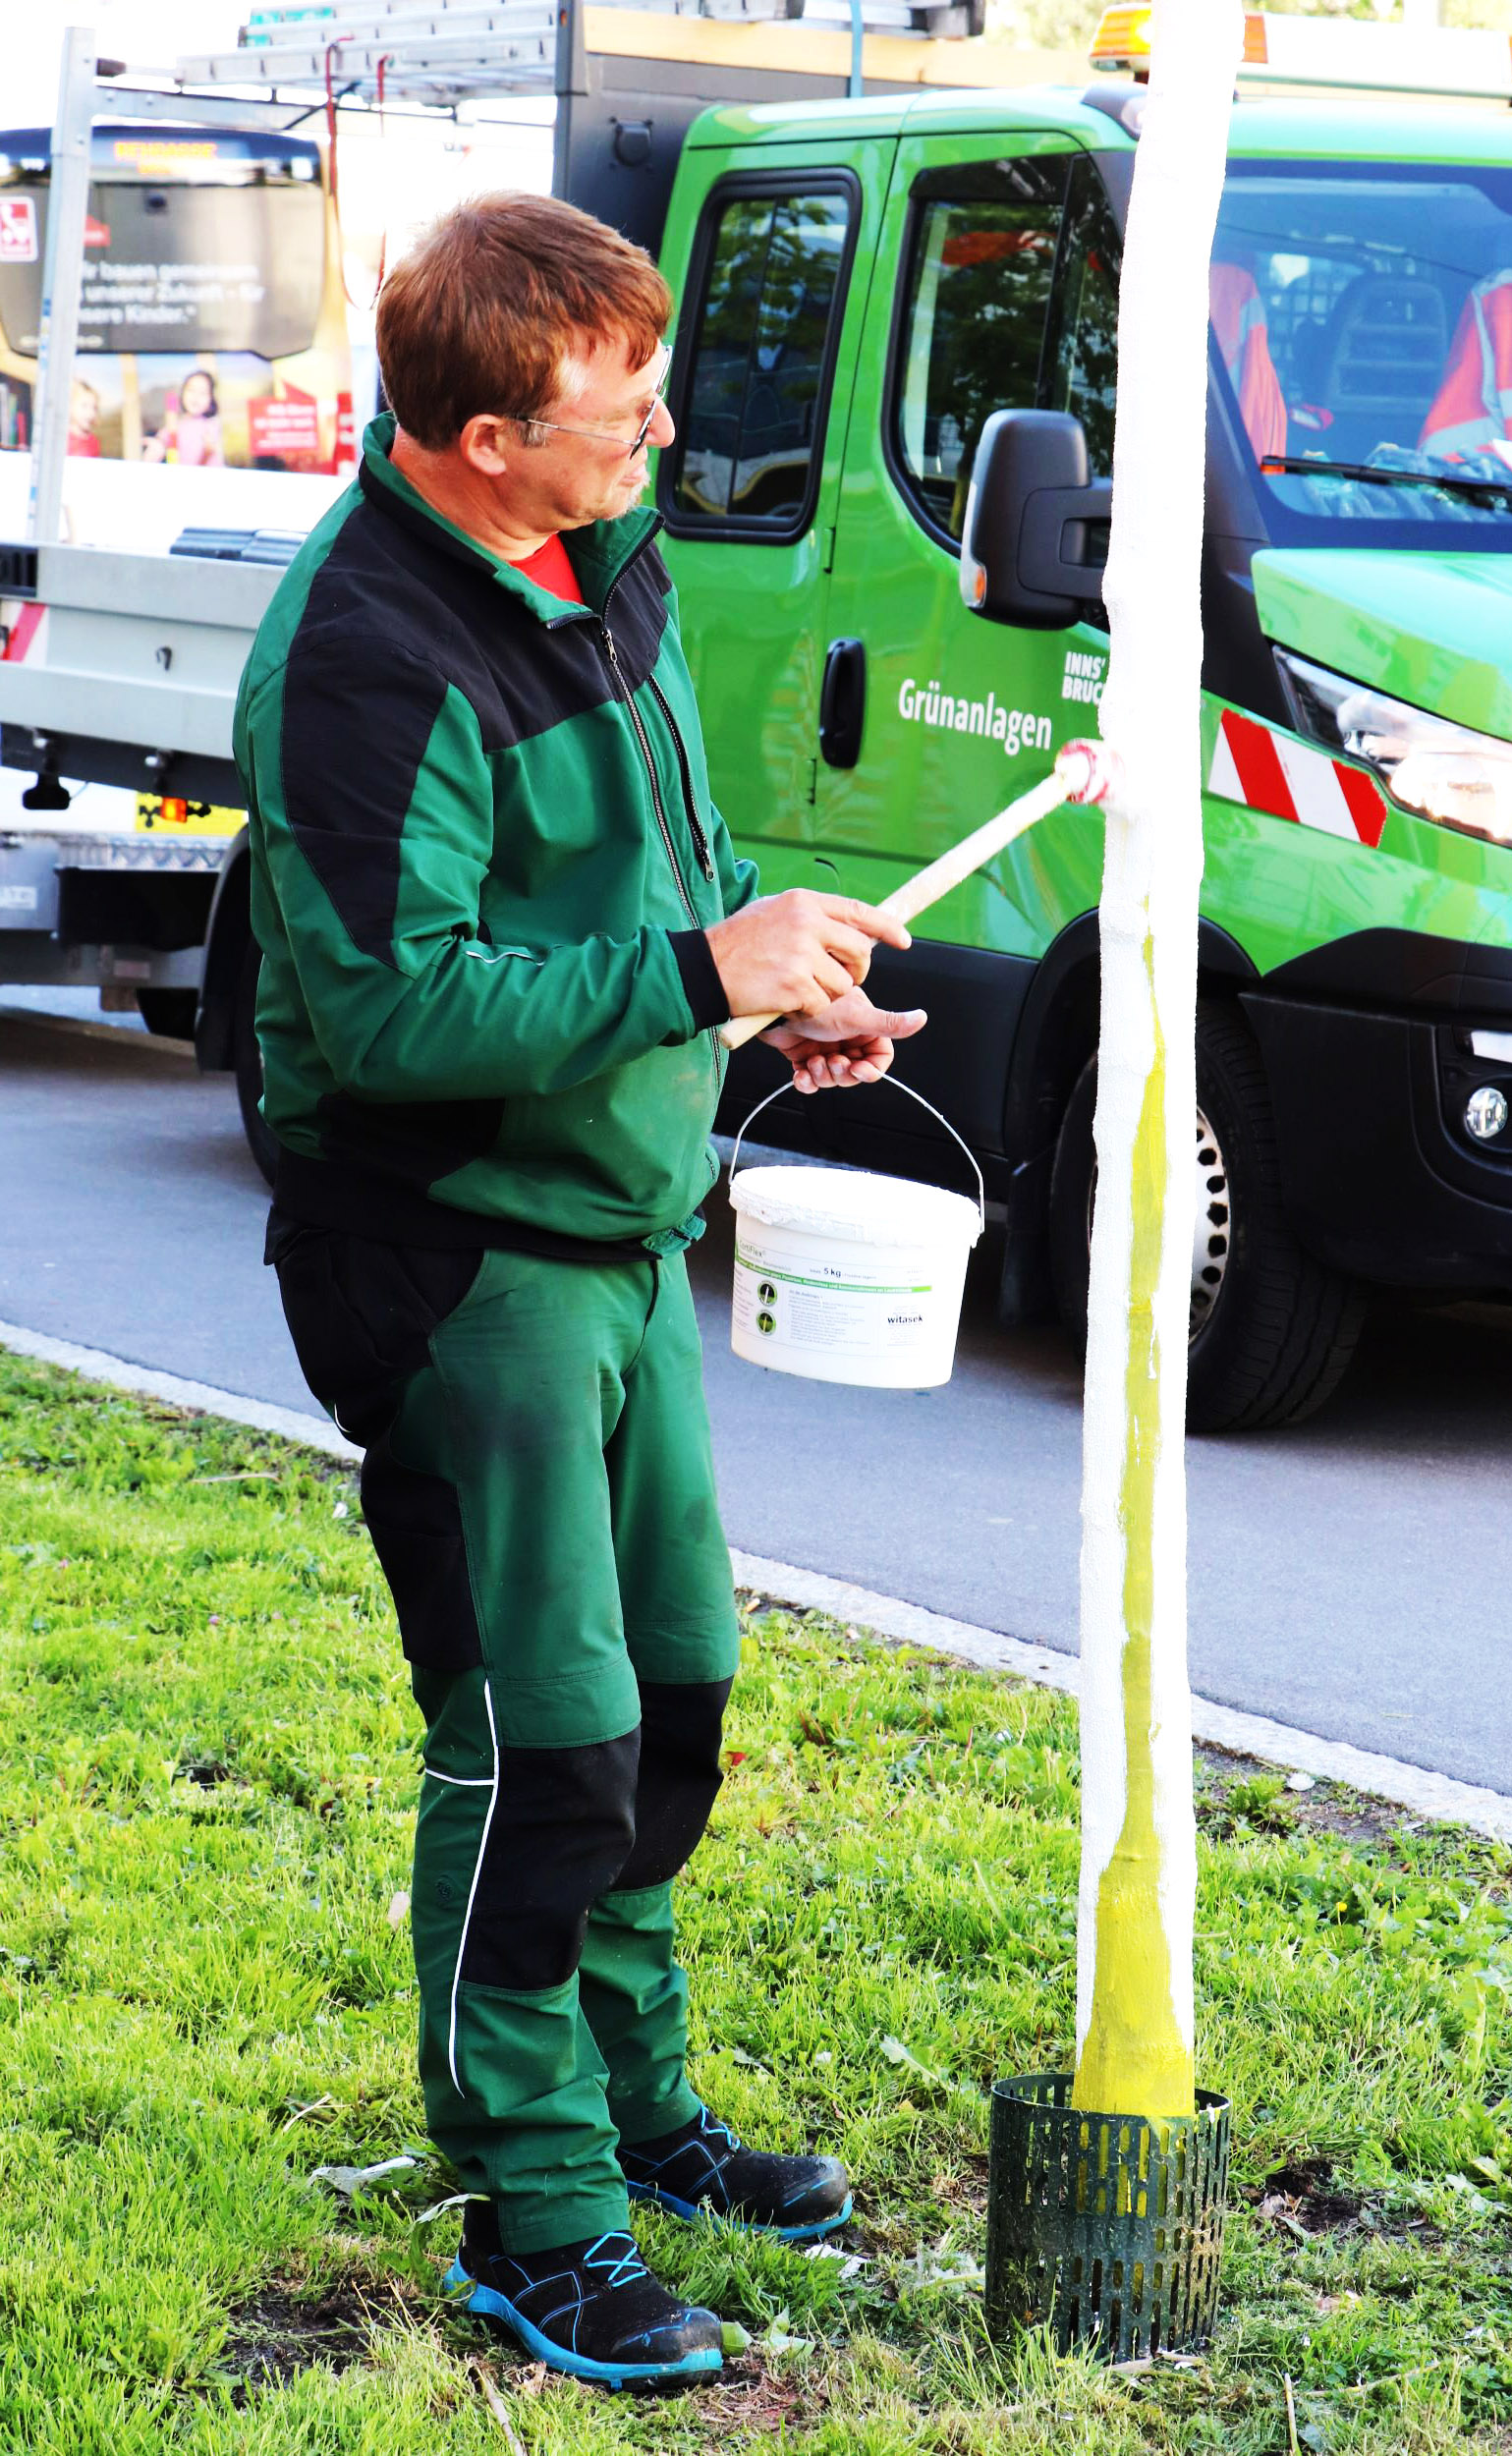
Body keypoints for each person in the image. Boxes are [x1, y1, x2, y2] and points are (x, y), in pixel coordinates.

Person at [234, 192, 926, 2391]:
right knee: (544, 1745)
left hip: (621, 1231)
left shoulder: (603, 557)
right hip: (453, 1257)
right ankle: (537, 2209)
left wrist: (760, 992)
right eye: (612, 421)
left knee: (676, 1710)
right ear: (467, 435)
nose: (656, 447)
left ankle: (641, 2104)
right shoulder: (357, 658)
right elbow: (390, 1010)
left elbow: (672, 870)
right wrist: (684, 973)